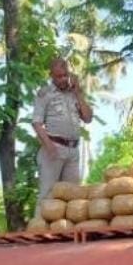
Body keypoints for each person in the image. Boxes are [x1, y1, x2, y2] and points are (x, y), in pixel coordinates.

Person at [32, 58, 94, 207]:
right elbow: (36, 123)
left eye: (65, 75)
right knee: (47, 194)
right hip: (53, 147)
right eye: (59, 76)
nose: (63, 79)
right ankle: (40, 222)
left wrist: (78, 93)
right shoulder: (45, 94)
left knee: (73, 196)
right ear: (51, 76)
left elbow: (88, 118)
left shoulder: (74, 94)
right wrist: (48, 145)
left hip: (73, 150)